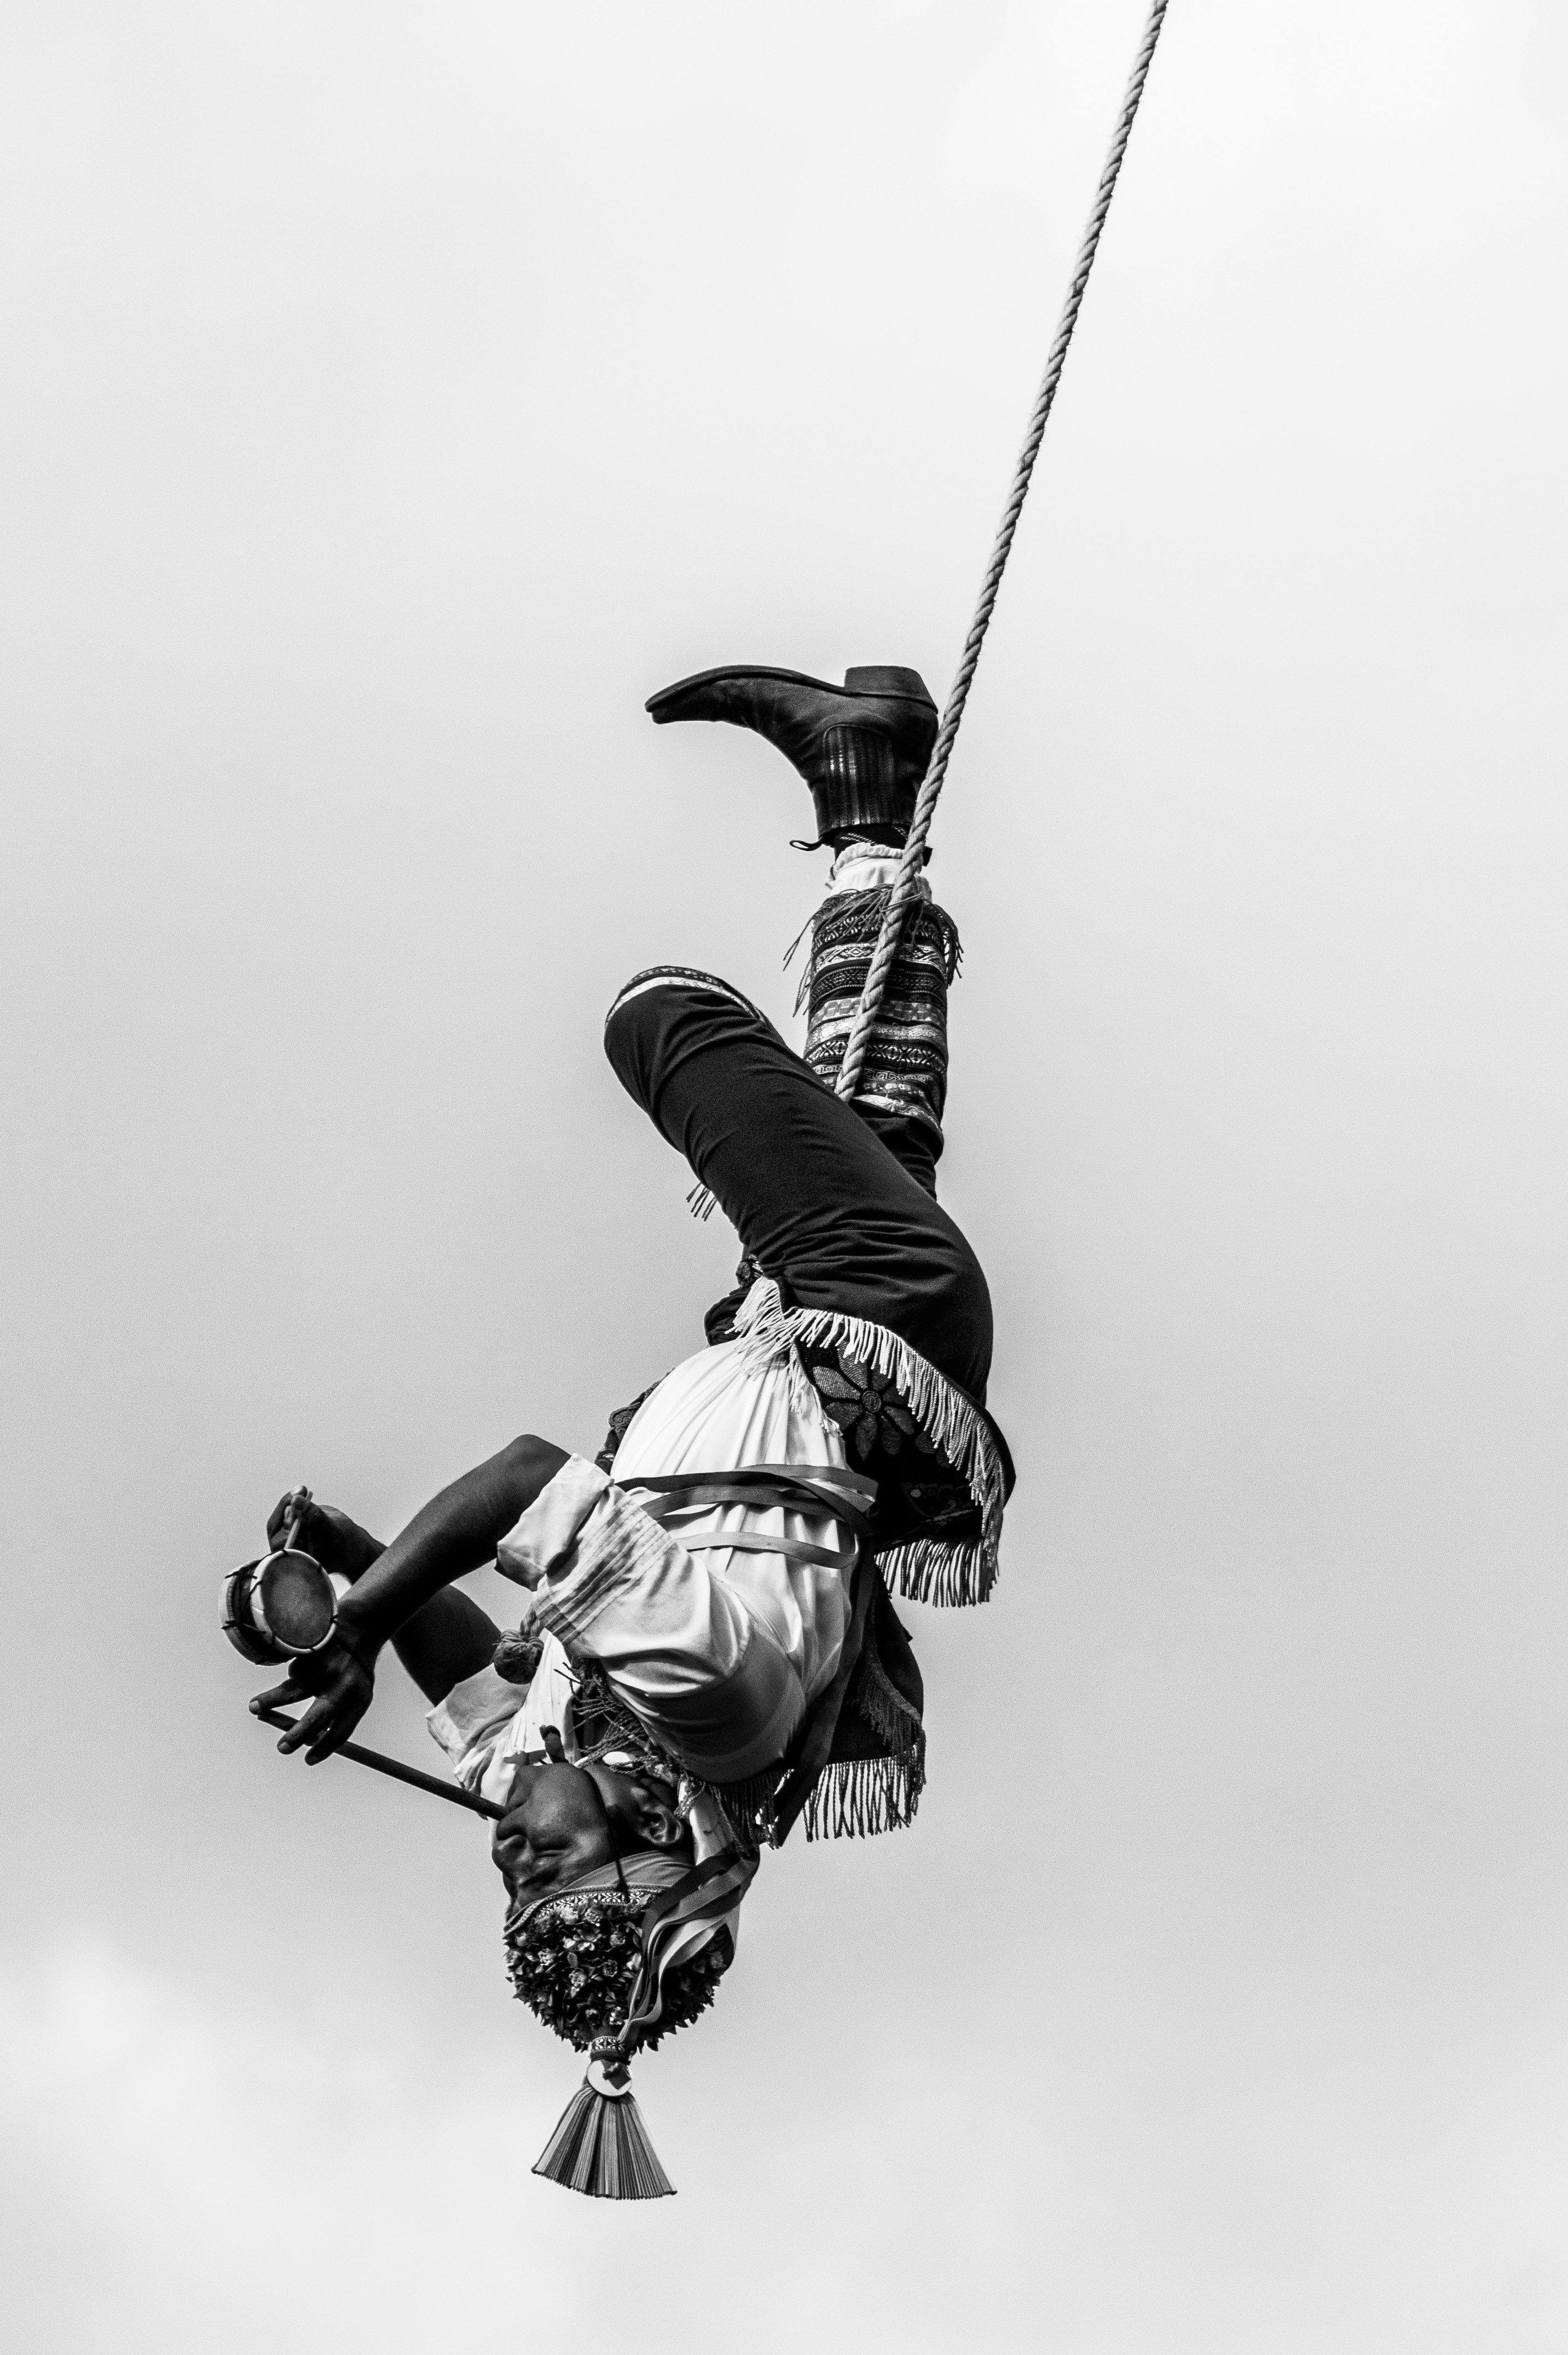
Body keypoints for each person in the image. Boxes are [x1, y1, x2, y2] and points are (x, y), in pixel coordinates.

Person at [246, 662, 1014, 2197]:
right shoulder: (701, 1698)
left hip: (784, 1337)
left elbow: (468, 1669)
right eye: (548, 1863)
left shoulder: (562, 1756)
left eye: (511, 1882)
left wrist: (348, 1563)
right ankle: (863, 788)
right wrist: (360, 1619)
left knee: (866, 1095)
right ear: (650, 1845)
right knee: (658, 1022)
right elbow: (528, 1480)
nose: (509, 1849)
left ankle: (868, 790)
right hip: (875, 1309)